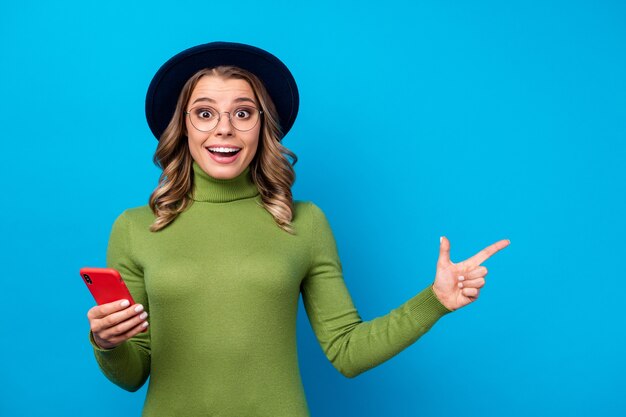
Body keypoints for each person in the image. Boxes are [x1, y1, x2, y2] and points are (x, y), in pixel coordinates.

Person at [86, 41, 510, 416]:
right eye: (204, 113)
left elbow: (347, 350)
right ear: (182, 127)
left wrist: (434, 301)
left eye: (243, 112)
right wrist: (107, 344)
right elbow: (132, 373)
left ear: (262, 126)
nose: (224, 128)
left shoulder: (303, 221)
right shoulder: (136, 228)